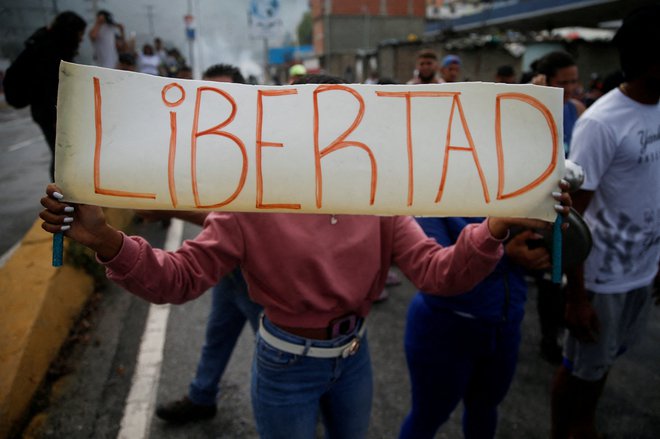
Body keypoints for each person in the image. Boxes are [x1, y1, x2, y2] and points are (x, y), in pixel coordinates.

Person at [39, 72, 572, 438]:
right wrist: (106, 239)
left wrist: (494, 228)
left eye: (340, 124)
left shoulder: (379, 200)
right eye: (312, 124)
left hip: (354, 357)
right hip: (284, 364)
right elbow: (179, 279)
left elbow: (438, 273)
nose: (329, 138)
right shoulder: (250, 204)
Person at [551, 6, 660, 439]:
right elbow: (570, 216)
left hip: (641, 271)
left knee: (603, 364)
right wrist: (576, 297)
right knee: (582, 369)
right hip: (601, 280)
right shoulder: (601, 122)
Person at [154, 64, 263, 424]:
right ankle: (202, 395)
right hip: (227, 271)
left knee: (279, 353)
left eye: (224, 95)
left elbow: (242, 224)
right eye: (208, 95)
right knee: (217, 335)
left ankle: (311, 408)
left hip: (259, 277)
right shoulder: (207, 143)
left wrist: (169, 209)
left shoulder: (258, 149)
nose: (215, 103)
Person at [399, 217, 550, 439]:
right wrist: (507, 255)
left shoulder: (514, 190)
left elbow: (544, 256)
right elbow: (438, 272)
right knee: (428, 416)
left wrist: (548, 247)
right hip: (444, 327)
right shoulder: (434, 194)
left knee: (485, 409)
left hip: (505, 324)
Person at [530, 50, 587, 363]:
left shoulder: (577, 110)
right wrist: (536, 97)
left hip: (572, 201)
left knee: (567, 269)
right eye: (564, 83)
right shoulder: (537, 107)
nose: (573, 88)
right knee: (548, 275)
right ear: (548, 82)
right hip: (543, 207)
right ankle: (548, 336)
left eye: (575, 80)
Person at [2, 11, 86, 181]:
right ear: (70, 32)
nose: (81, 39)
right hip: (49, 113)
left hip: (48, 111)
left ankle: (63, 192)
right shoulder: (49, 51)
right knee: (63, 157)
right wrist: (56, 119)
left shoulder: (47, 44)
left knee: (63, 155)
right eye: (79, 34)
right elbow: (48, 87)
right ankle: (62, 194)